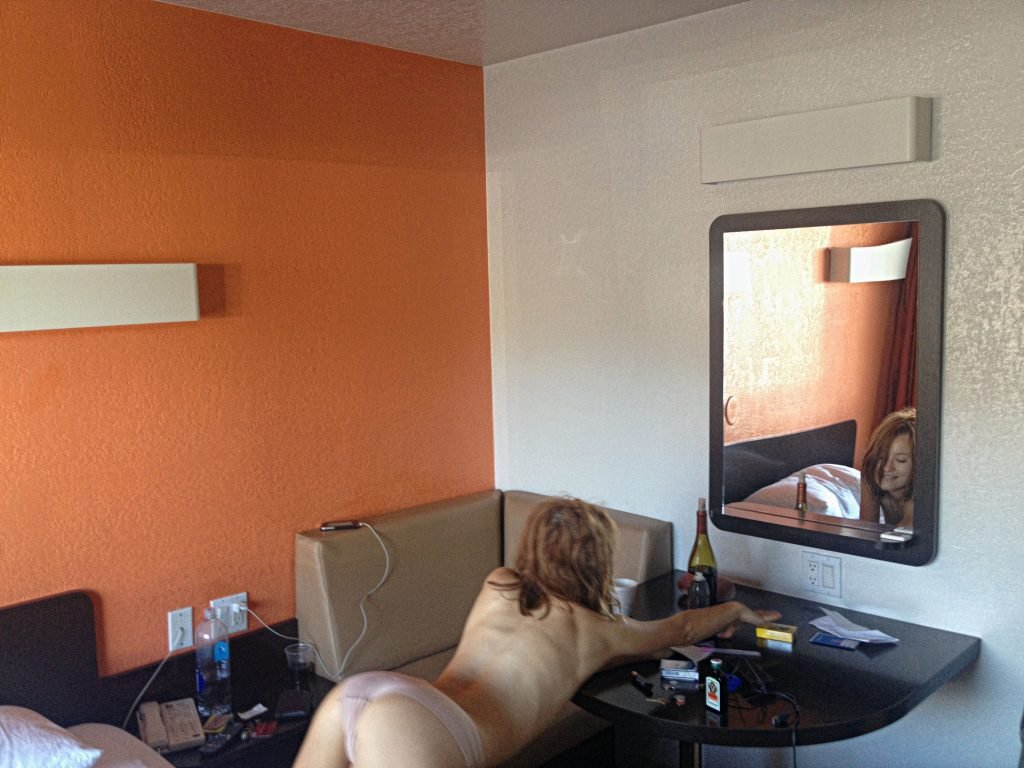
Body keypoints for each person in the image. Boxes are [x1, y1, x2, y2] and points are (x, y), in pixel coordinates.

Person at [294, 497, 781, 768]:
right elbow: (682, 626)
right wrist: (736, 609)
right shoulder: (597, 630)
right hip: (428, 727)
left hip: (368, 691)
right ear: (597, 563)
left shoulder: (500, 583)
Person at [859, 407, 916, 527]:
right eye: (881, 457)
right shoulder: (871, 472)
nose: (887, 467)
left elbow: (907, 528)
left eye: (901, 460)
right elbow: (867, 528)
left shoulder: (923, 487)